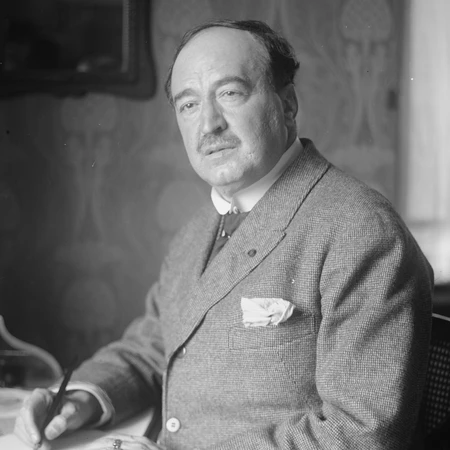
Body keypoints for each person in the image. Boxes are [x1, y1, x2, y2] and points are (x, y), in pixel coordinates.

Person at [15, 19, 433, 450]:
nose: (208, 124)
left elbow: (361, 432)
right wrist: (81, 399)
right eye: (188, 104)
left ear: (287, 105)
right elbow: (154, 345)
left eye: (230, 93)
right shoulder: (196, 231)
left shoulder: (361, 231)